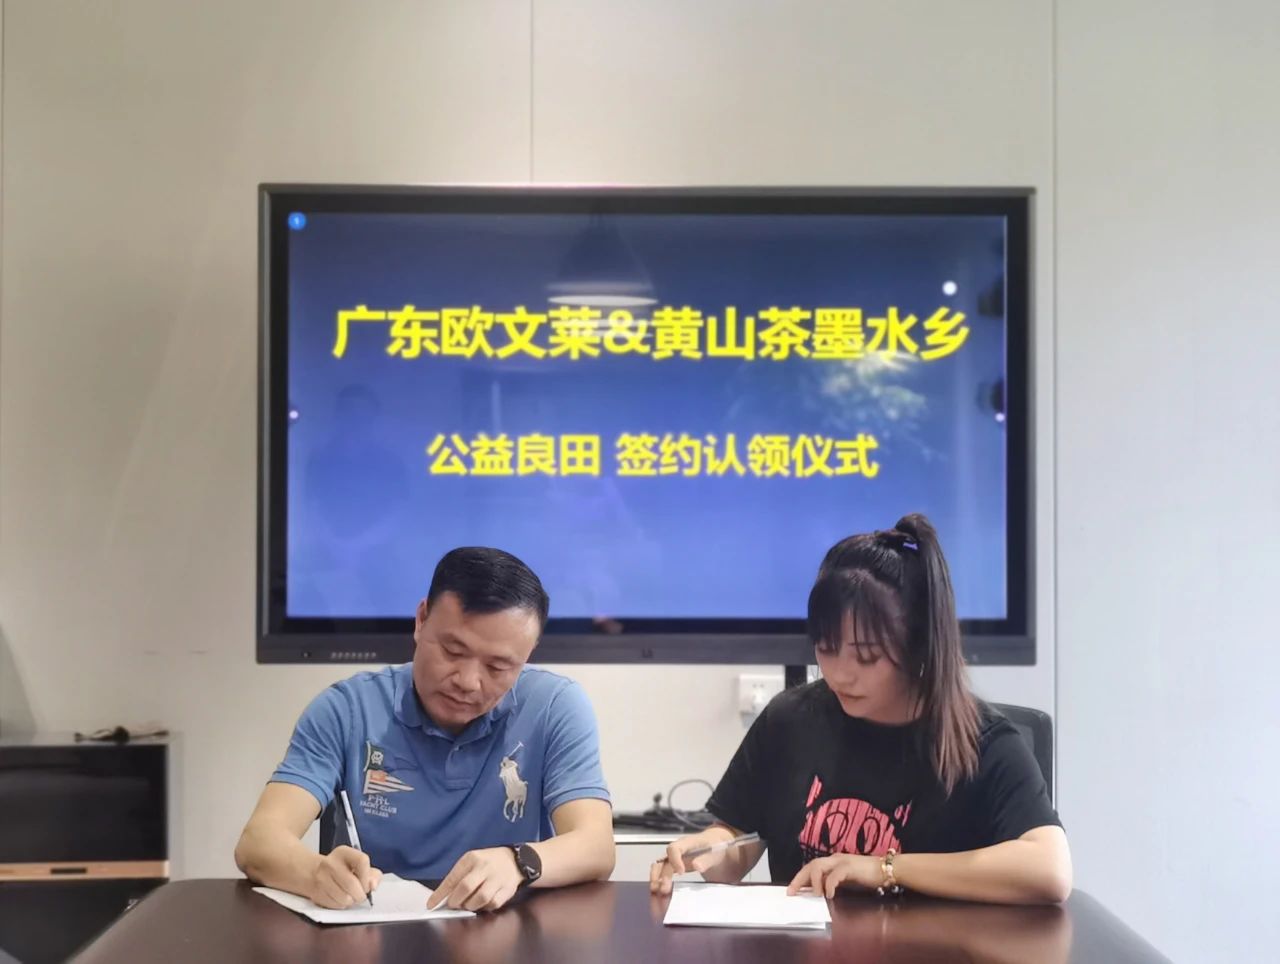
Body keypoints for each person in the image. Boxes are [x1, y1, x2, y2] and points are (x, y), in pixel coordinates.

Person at [650, 513, 1072, 904]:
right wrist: (705, 850)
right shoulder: (789, 720)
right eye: (826, 648)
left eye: (867, 656)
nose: (839, 674)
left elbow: (1049, 869)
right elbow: (738, 839)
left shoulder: (981, 742)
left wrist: (884, 868)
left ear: (918, 646)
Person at [236, 547, 615, 912]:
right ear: (421, 620)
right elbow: (259, 842)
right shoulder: (347, 710)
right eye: (453, 651)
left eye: (498, 667)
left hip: (504, 929)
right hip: (374, 931)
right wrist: (316, 874)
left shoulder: (553, 707)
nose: (468, 681)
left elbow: (596, 845)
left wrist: (517, 861)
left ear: (527, 656)